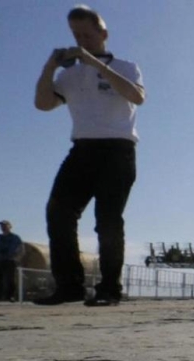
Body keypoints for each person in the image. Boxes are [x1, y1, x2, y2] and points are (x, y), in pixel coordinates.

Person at [33, 5, 144, 306]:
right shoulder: (69, 77)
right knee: (59, 212)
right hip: (82, 150)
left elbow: (137, 96)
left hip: (118, 151)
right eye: (76, 35)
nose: (82, 40)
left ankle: (109, 289)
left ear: (103, 34)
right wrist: (50, 67)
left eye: (87, 34)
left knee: (107, 220)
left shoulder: (125, 66)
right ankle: (69, 286)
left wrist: (95, 63)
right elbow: (43, 104)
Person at [0, 220, 24, 302]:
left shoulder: (15, 237)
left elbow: (21, 248)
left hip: (10, 260)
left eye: (5, 225)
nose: (3, 227)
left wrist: (17, 258)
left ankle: (10, 296)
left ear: (10, 226)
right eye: (1, 226)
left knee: (10, 279)